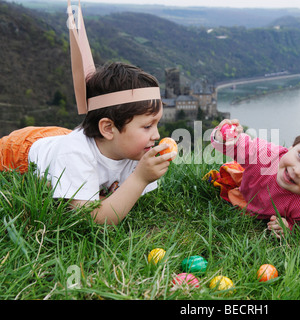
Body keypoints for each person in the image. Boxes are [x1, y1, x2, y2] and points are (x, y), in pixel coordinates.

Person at [0, 62, 176, 225]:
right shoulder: (75, 153)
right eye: (147, 126)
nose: (157, 135)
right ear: (108, 128)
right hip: (19, 150)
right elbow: (92, 219)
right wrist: (140, 178)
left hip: (64, 138)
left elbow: (126, 199)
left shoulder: (133, 149)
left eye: (157, 124)